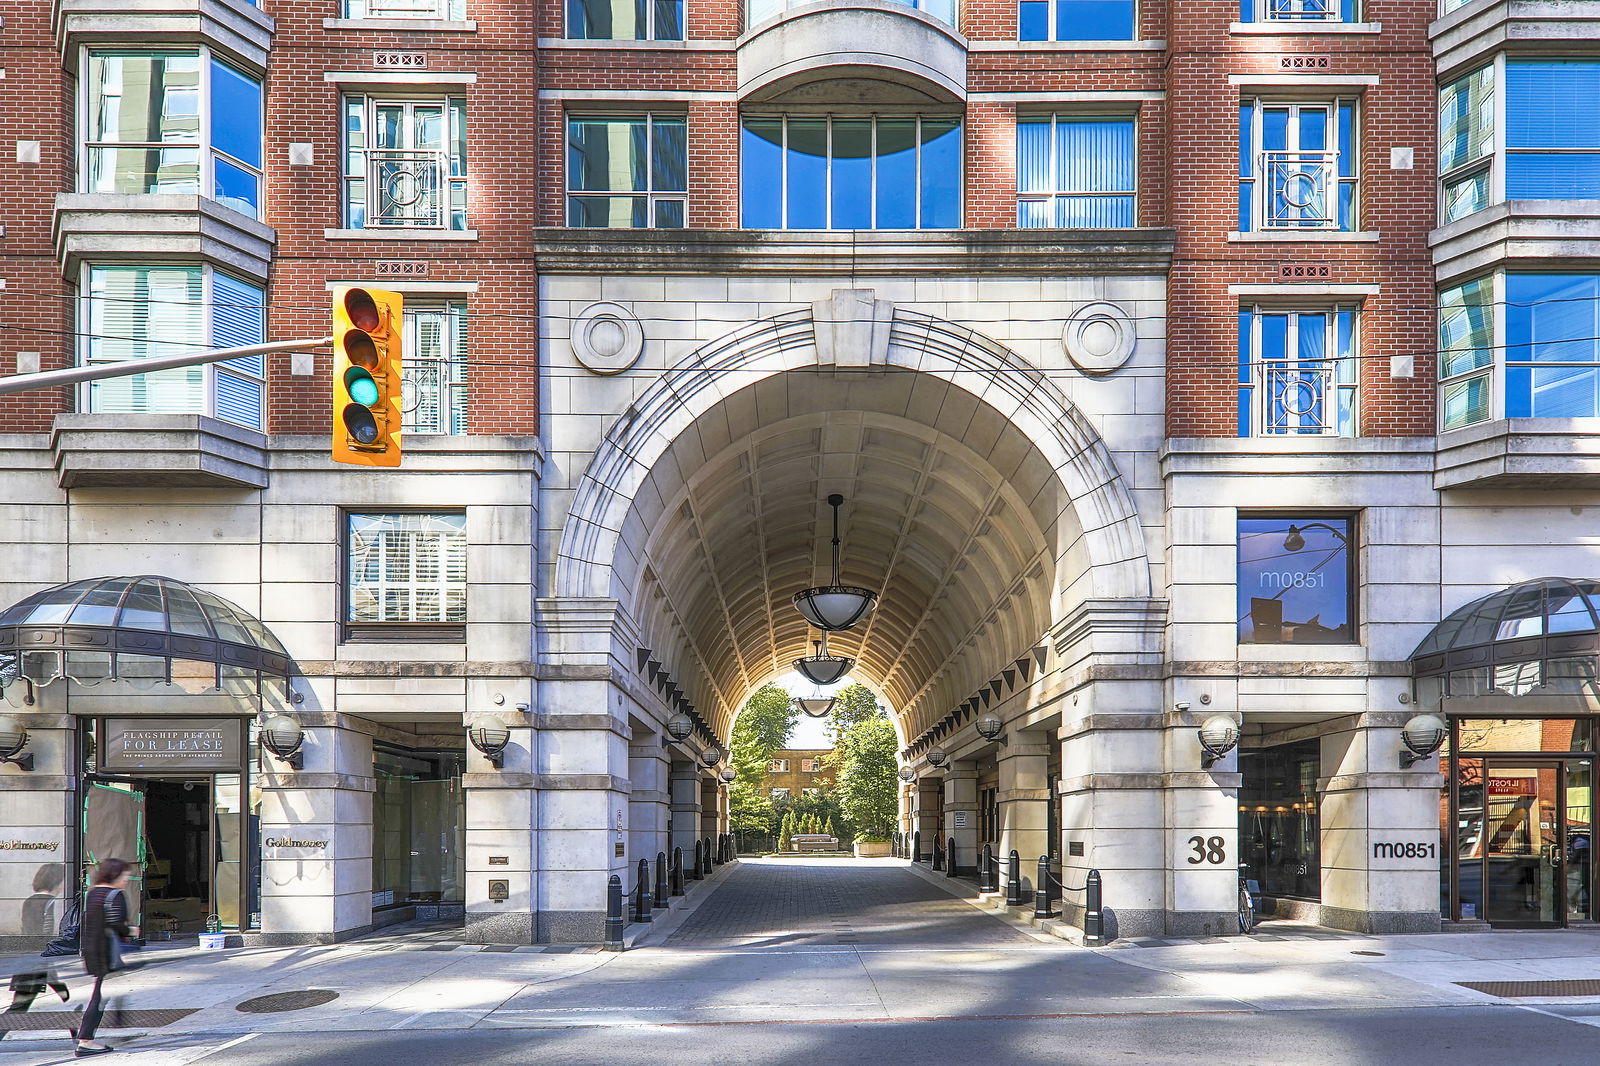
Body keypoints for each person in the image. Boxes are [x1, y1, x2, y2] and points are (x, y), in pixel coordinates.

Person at [75, 858, 139, 1057]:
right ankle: (85, 1040)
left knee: (108, 990)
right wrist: (131, 931)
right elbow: (117, 925)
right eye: (124, 877)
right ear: (115, 875)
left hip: (92, 951)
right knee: (100, 996)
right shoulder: (115, 895)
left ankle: (118, 1022)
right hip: (107, 952)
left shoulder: (92, 894)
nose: (126, 881)